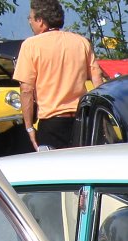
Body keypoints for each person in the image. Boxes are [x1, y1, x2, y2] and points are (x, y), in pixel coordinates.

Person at [13, 0, 104, 150]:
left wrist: (29, 127)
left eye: (31, 18)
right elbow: (97, 79)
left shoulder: (31, 46)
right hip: (82, 118)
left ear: (40, 21)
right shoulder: (81, 42)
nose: (29, 22)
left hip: (51, 122)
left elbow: (26, 89)